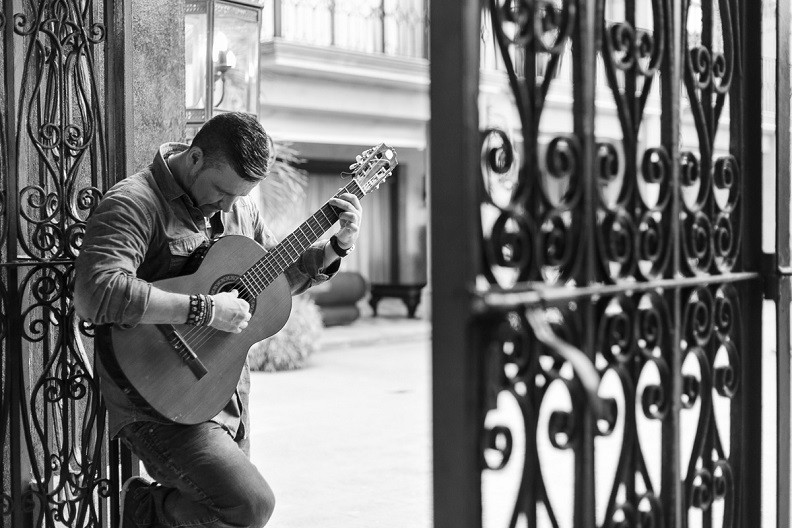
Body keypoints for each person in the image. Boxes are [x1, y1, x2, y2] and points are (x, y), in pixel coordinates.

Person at [73, 112, 362, 528]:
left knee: (227, 515)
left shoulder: (239, 208)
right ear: (194, 158)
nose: (228, 205)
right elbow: (96, 292)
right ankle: (146, 510)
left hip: (221, 391)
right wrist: (204, 309)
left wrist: (335, 247)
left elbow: (271, 282)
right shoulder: (134, 203)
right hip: (153, 400)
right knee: (250, 505)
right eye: (223, 190)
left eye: (239, 195)